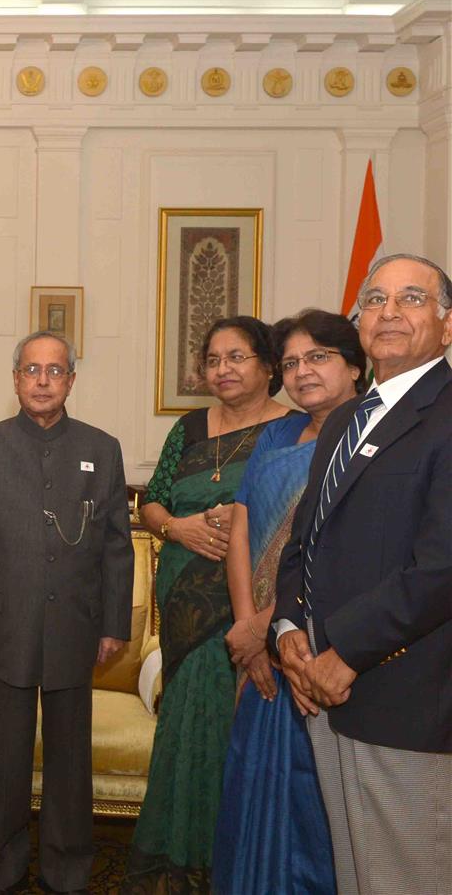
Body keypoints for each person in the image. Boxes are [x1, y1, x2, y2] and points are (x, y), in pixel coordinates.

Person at [273, 254, 452, 894]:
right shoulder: (348, 417)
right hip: (325, 692)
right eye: (375, 300)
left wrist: (342, 651)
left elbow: (441, 567)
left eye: (411, 298)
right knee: (357, 878)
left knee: (407, 881)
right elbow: (306, 542)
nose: (390, 312)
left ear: (447, 324)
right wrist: (290, 633)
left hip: (407, 699)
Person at [0, 331, 134, 894]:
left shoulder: (101, 448)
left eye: (55, 371)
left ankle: (67, 868)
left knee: (68, 762)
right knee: (5, 759)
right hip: (3, 629)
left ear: (71, 381)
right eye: (32, 370)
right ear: (16, 379)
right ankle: (1, 867)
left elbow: (117, 547)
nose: (43, 381)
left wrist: (113, 625)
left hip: (77, 631)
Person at [124, 315, 292, 892]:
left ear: (269, 366)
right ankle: (180, 861)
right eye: (214, 360)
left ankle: (236, 867)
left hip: (255, 608)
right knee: (185, 731)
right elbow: (151, 502)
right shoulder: (190, 428)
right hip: (184, 602)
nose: (222, 370)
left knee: (237, 732)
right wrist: (180, 528)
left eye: (237, 357)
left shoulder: (295, 431)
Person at [212, 310, 365, 893]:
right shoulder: (277, 435)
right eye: (294, 362)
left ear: (355, 364)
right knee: (252, 782)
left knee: (310, 801)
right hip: (261, 647)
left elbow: (338, 548)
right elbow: (243, 528)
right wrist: (248, 628)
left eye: (319, 357)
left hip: (315, 650)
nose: (303, 372)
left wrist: (273, 627)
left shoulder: (367, 438)